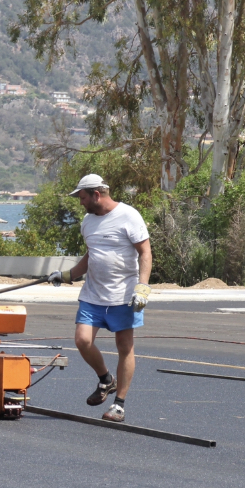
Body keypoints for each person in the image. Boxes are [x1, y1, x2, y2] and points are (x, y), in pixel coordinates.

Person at [49, 174, 152, 422]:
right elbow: (91, 255)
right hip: (93, 294)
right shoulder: (88, 222)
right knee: (82, 341)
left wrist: (143, 288)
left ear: (97, 194)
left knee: (125, 348)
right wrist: (67, 275)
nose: (81, 203)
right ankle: (106, 379)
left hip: (124, 296)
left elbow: (145, 253)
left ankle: (119, 406)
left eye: (83, 198)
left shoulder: (129, 216)